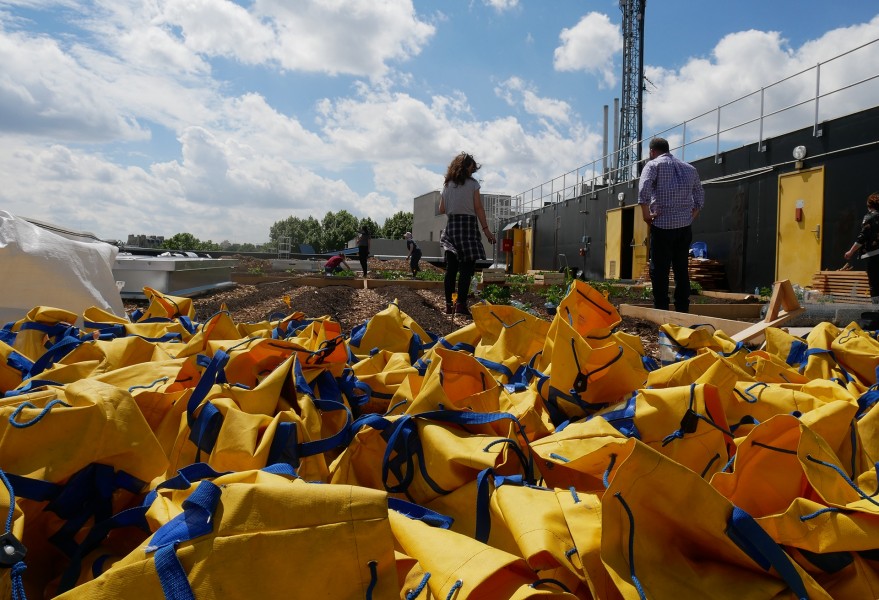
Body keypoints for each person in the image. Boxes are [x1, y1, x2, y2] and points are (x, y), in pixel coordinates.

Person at [638, 137, 704, 313]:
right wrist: (690, 217)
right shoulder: (690, 168)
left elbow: (643, 189)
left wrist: (646, 216)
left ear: (652, 152)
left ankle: (661, 308)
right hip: (684, 228)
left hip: (662, 226)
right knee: (681, 268)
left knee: (659, 270)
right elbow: (699, 197)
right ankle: (682, 308)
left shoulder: (653, 166)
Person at [439, 152, 496, 317]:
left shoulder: (448, 184)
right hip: (468, 227)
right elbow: (478, 208)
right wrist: (486, 230)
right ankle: (461, 305)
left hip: (452, 227)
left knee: (451, 269)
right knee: (466, 269)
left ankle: (449, 304)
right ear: (465, 168)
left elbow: (442, 209)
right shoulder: (473, 184)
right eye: (471, 169)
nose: (472, 172)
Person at [844, 192, 879, 303]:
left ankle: (876, 311)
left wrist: (850, 252)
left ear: (869, 205)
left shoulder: (869, 217)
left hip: (873, 255)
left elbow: (862, 237)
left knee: (874, 284)